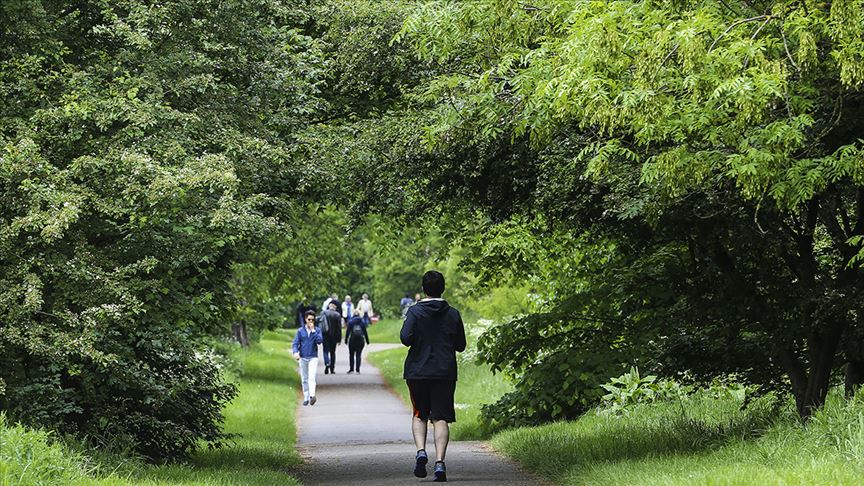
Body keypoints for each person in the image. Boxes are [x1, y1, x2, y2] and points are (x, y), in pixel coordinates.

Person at [400, 271, 466, 483]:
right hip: (444, 372)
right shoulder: (453, 314)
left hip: (417, 372)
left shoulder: (415, 312)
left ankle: (421, 451)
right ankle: (440, 463)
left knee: (420, 414)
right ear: (442, 288)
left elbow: (405, 338)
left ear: (424, 289)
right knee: (440, 417)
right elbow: (461, 345)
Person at [292, 310, 323, 406]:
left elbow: (319, 341)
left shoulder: (317, 330)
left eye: (312, 320)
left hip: (313, 357)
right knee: (304, 378)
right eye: (309, 319)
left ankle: (312, 396)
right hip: (303, 357)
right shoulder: (300, 331)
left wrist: (313, 331)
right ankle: (306, 397)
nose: (310, 322)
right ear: (305, 319)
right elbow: (295, 343)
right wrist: (295, 352)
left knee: (311, 376)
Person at [321, 301, 343, 374]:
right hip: (334, 336)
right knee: (333, 352)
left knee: (325, 351)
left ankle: (327, 363)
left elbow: (320, 325)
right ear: (335, 308)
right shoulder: (337, 315)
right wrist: (339, 338)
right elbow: (339, 328)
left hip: (325, 335)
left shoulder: (324, 313)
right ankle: (332, 368)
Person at [345, 310, 370, 374]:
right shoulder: (362, 322)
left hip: (352, 340)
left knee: (351, 355)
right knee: (358, 355)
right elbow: (365, 332)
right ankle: (358, 370)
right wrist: (367, 341)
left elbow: (347, 332)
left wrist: (346, 340)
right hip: (360, 340)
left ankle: (351, 369)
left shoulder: (351, 322)